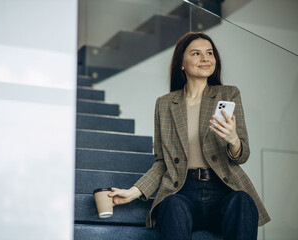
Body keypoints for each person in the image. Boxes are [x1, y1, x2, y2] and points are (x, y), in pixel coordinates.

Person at [108, 32, 271, 240]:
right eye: (196, 53)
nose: (205, 58)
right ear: (182, 64)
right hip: (183, 189)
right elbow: (161, 163)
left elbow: (242, 155)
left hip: (222, 188)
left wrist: (233, 140)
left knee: (243, 201)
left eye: (209, 53)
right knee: (172, 204)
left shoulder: (229, 94)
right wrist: (134, 192)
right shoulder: (165, 104)